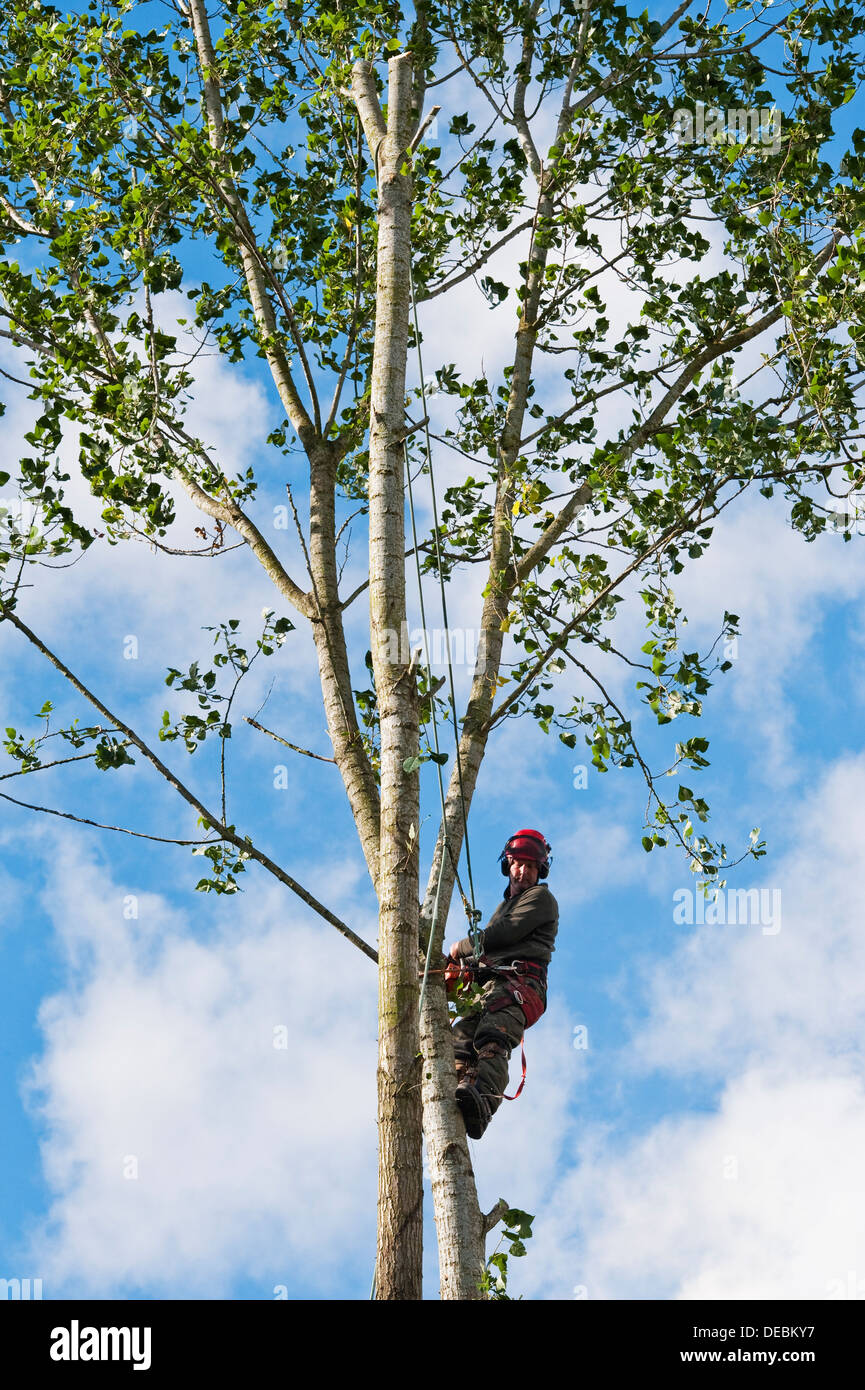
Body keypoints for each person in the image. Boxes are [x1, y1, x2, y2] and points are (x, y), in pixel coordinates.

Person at [446, 828, 558, 1140]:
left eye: (532, 867)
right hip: (494, 985)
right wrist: (461, 968)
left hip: (520, 987)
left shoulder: (540, 898)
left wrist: (462, 948)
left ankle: (482, 1104)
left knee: (493, 1036)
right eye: (519, 864)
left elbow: (504, 934)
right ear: (507, 865)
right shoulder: (502, 907)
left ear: (540, 871)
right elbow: (492, 951)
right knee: (459, 1041)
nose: (524, 872)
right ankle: (458, 1089)